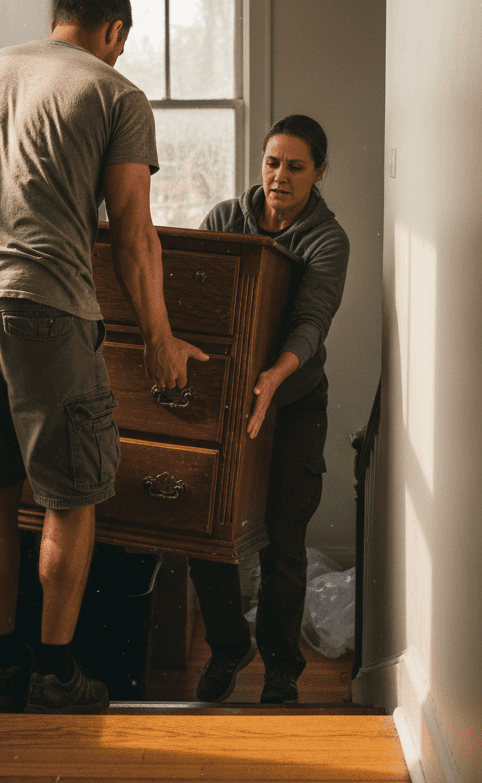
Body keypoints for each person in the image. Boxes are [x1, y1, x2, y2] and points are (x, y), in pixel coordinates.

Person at [0, 0, 207, 715]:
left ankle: (5, 668)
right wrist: (160, 339)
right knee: (71, 496)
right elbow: (132, 229)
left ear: (59, 20)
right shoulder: (115, 93)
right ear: (114, 32)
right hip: (44, 306)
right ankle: (55, 674)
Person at [187, 114, 349, 705]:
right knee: (208, 532)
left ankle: (282, 669)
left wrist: (276, 376)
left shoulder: (328, 239)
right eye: (272, 163)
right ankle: (229, 648)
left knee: (283, 542)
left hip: (295, 404)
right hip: (225, 402)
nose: (279, 176)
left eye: (296, 167)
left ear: (320, 172)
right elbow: (195, 298)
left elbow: (312, 319)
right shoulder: (224, 219)